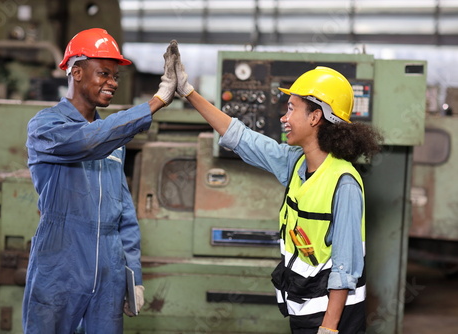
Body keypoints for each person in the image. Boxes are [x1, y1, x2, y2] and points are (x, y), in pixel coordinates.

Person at [170, 41, 382, 334]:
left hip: (332, 318)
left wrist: (329, 329)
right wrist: (188, 93)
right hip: (304, 305)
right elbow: (242, 138)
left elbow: (345, 269)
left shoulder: (343, 184)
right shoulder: (295, 163)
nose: (284, 117)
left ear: (315, 116)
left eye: (292, 108)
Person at [22, 28, 177, 333]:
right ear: (76, 72)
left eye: (115, 77)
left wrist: (132, 274)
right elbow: (87, 142)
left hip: (109, 271)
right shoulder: (46, 126)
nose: (112, 83)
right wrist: (156, 101)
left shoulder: (113, 138)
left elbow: (125, 216)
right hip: (60, 265)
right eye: (104, 74)